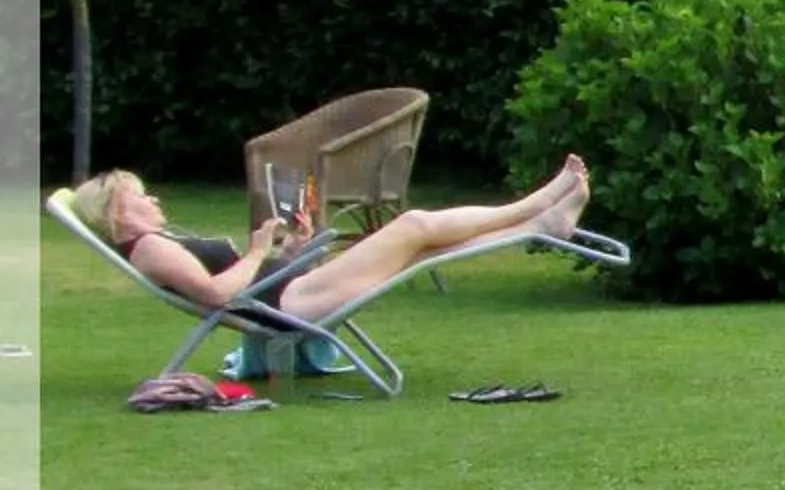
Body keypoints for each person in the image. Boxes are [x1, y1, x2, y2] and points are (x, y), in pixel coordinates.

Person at [70, 158, 593, 325]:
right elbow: (216, 295)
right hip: (294, 304)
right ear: (119, 212)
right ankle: (532, 206)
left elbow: (238, 282)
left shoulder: (156, 242)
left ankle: (538, 227)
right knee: (412, 227)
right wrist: (256, 250)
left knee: (422, 246)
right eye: (142, 197)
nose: (155, 201)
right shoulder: (149, 248)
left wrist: (284, 249)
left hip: (292, 289)